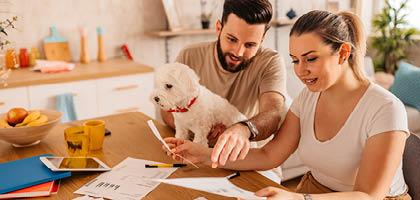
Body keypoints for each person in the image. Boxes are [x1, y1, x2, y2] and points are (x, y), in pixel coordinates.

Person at [164, 10, 412, 200]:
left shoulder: (385, 108)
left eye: (311, 59)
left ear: (343, 53)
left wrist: (297, 197)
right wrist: (206, 155)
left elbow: (368, 196)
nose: (301, 71)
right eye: (295, 60)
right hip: (315, 191)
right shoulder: (308, 97)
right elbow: (270, 154)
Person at [161, 0, 287, 165]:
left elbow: (273, 113)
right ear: (218, 29)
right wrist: (198, 127)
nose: (238, 52)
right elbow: (167, 109)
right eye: (232, 39)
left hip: (246, 159)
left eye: (250, 45)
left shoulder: (270, 61)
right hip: (194, 154)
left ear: (262, 39)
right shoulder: (189, 55)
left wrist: (243, 129)